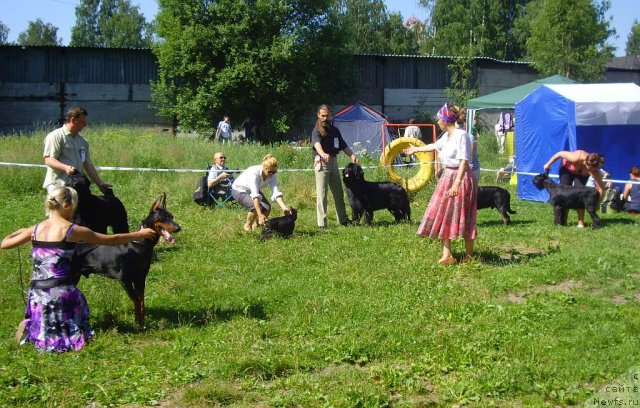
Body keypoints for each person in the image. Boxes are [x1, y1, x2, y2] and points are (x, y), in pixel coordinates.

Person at [0, 186, 156, 352]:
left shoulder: (36, 229)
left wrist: (21, 231)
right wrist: (139, 234)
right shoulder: (72, 230)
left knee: (47, 313)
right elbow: (112, 240)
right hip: (60, 294)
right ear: (67, 206)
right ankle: (66, 330)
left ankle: (38, 327)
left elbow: (4, 244)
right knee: (77, 300)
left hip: (37, 296)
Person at [403, 103, 477, 265]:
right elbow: (435, 146)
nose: (437, 122)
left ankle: (469, 255)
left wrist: (456, 184)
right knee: (444, 213)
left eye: (439, 119)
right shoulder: (447, 136)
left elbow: (464, 160)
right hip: (447, 177)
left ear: (446, 119)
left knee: (464, 214)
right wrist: (415, 150)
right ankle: (447, 254)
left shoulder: (461, 135)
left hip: (460, 177)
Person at [42, 106, 111, 194]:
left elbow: (87, 164)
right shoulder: (55, 136)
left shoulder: (83, 141)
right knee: (59, 208)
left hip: (76, 186)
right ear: (73, 120)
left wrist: (100, 183)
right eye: (83, 122)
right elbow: (49, 160)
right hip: (58, 185)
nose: (85, 125)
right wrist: (65, 168)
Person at [312, 104, 359, 230]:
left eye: (327, 115)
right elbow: (317, 144)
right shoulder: (316, 130)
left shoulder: (334, 130)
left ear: (330, 115)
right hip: (322, 163)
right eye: (322, 115)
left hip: (333, 162)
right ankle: (322, 224)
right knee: (322, 194)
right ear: (318, 115)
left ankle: (343, 220)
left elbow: (343, 146)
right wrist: (322, 154)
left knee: (338, 192)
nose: (325, 117)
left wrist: (352, 155)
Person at [543, 150, 606, 228]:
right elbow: (559, 154)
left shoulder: (595, 170)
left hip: (581, 175)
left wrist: (597, 203)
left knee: (581, 195)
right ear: (588, 163)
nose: (592, 171)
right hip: (567, 169)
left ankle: (580, 222)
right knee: (564, 195)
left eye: (595, 169)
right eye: (592, 169)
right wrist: (548, 164)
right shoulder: (576, 157)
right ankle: (563, 221)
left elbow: (601, 188)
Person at [231, 154, 291, 232]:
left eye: (274, 171)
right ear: (264, 168)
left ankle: (256, 226)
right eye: (270, 171)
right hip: (239, 190)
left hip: (252, 190)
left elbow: (276, 192)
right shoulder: (254, 173)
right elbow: (255, 196)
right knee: (255, 207)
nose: (272, 174)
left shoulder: (272, 175)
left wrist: (284, 207)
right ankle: (247, 226)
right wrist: (259, 214)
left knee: (267, 208)